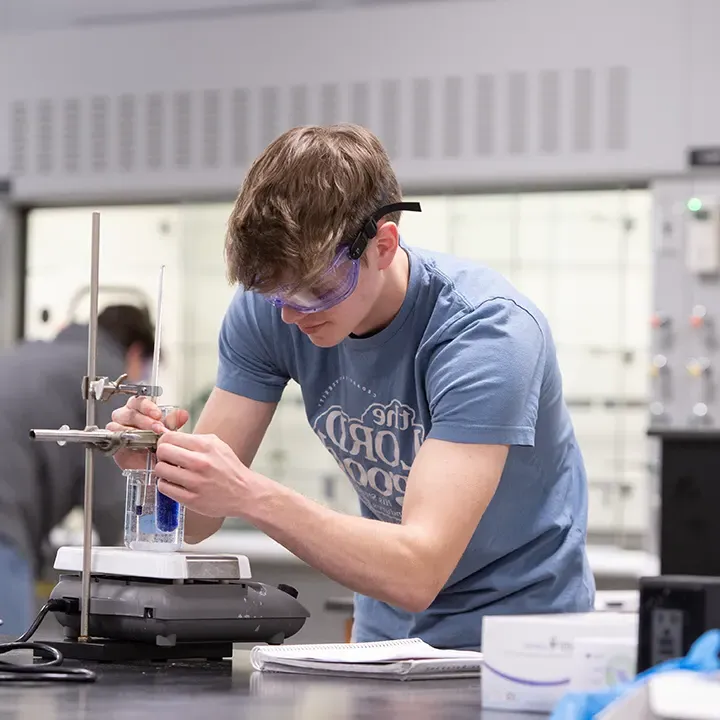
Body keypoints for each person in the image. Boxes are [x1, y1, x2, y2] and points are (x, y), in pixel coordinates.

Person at [109, 124, 595, 650]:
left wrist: (250, 494)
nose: (294, 315)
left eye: (319, 289)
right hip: (386, 636)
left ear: (383, 245)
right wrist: (162, 471)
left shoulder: (484, 334)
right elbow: (200, 521)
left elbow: (417, 571)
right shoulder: (271, 312)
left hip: (517, 636)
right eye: (276, 293)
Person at [0, 304, 155, 636]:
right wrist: (139, 566)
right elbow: (112, 498)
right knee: (7, 668)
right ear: (136, 353)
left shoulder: (33, 353)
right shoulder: (104, 376)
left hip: (10, 516)